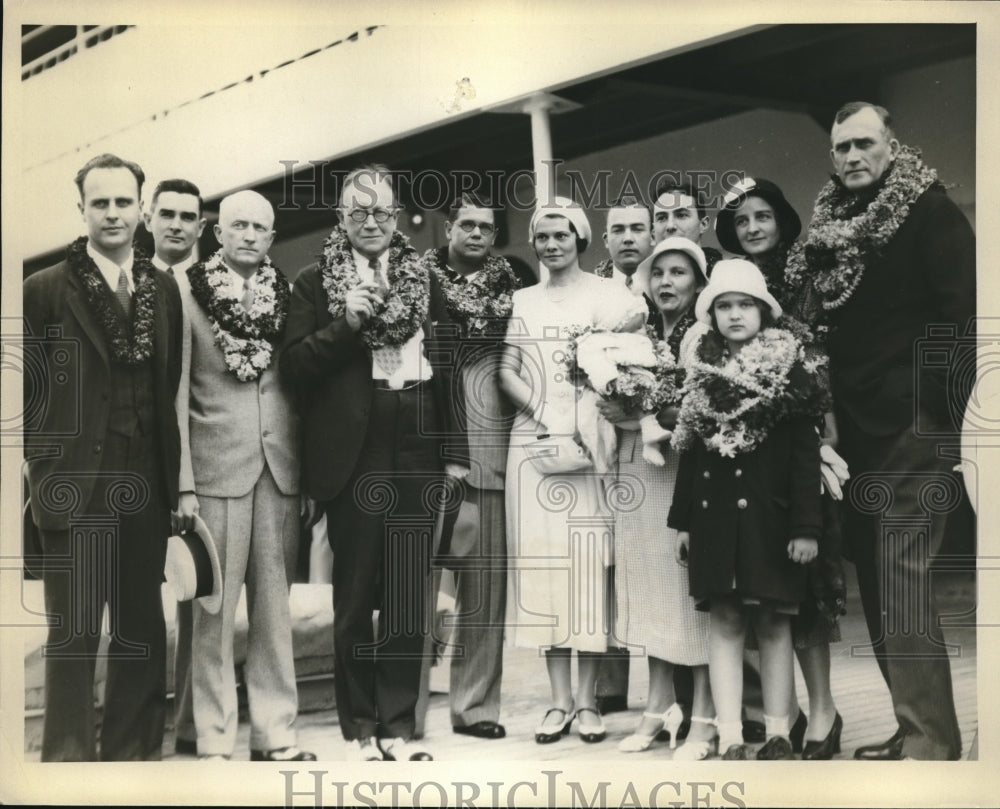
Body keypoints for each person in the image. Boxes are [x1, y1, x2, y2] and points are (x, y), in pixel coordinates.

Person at [787, 101, 975, 760]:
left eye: (864, 144)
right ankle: (913, 724)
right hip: (856, 431)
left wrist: (936, 418)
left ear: (893, 147)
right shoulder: (831, 225)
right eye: (840, 148)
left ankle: (932, 740)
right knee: (879, 578)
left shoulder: (930, 212)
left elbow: (960, 320)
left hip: (910, 426)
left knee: (902, 577)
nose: (851, 158)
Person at [282, 165, 468, 762]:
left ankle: (399, 727)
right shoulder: (314, 281)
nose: (371, 222)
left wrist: (456, 452)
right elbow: (296, 368)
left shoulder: (423, 276)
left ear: (397, 217)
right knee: (356, 593)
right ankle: (360, 728)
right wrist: (349, 323)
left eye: (381, 212)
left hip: (417, 435)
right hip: (354, 448)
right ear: (340, 218)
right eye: (358, 212)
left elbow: (449, 369)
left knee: (411, 594)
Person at [22, 153, 183, 760]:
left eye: (123, 202)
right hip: (75, 486)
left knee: (142, 628)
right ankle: (67, 764)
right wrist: (44, 473)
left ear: (141, 208)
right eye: (100, 203)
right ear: (82, 209)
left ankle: (131, 757)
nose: (112, 213)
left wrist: (172, 487)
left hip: (145, 484)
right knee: (74, 634)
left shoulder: (160, 288)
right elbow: (28, 396)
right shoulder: (44, 290)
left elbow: (164, 387)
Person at [174, 190, 315, 762]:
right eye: (239, 225)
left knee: (274, 611)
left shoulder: (289, 294)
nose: (250, 235)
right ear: (218, 231)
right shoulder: (186, 295)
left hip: (279, 471)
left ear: (272, 236)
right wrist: (182, 481)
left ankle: (275, 734)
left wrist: (303, 477)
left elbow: (300, 390)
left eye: (260, 227)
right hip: (213, 472)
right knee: (212, 612)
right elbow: (176, 395)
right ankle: (211, 737)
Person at [669, 259, 829, 761]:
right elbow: (692, 454)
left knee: (775, 624)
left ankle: (780, 730)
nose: (735, 315)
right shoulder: (702, 374)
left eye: (745, 305)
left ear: (764, 312)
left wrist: (806, 526)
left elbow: (806, 456)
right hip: (716, 520)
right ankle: (733, 732)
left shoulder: (791, 374)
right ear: (712, 315)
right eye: (724, 306)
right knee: (727, 623)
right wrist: (683, 522)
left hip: (770, 519)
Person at [499, 197, 639, 745]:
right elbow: (507, 369)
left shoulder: (608, 295)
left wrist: (580, 416)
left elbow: (620, 363)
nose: (551, 245)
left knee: (587, 567)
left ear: (580, 238)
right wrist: (545, 411)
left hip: (591, 444)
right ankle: (557, 702)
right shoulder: (523, 299)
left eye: (561, 235)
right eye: (542, 236)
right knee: (544, 568)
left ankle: (587, 702)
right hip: (534, 443)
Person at [716, 177, 845, 759]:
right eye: (742, 221)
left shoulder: (806, 279)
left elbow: (823, 354)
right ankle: (779, 716)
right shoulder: (730, 291)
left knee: (807, 584)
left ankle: (823, 710)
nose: (752, 228)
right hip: (746, 463)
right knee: (762, 594)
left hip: (806, 433)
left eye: (762, 216)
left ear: (781, 220)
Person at [612, 237, 717, 759]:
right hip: (642, 473)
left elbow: (698, 408)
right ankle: (656, 708)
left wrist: (636, 416)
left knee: (687, 586)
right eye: (659, 274)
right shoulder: (638, 335)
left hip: (687, 471)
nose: (667, 282)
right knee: (652, 586)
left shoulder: (704, 337)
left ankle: (705, 716)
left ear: (697, 282)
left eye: (679, 273)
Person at [422, 194, 521, 741]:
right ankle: (403, 709)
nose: (478, 234)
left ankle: (476, 707)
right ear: (449, 228)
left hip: (491, 448)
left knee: (483, 590)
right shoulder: (417, 281)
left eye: (487, 226)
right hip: (426, 444)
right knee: (413, 589)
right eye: (468, 224)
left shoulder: (515, 286)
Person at [143, 177, 206, 757]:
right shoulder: (136, 282)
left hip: (207, 466)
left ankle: (188, 722)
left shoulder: (207, 285)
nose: (177, 225)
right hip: (150, 462)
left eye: (189, 216)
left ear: (201, 226)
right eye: (167, 214)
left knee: (197, 598)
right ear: (148, 217)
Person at [590, 195, 657, 714]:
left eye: (639, 228)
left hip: (655, 435)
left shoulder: (668, 283)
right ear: (606, 239)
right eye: (620, 230)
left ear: (652, 236)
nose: (629, 237)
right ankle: (610, 683)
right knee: (606, 556)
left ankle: (670, 678)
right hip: (602, 436)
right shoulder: (592, 293)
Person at [651, 179, 723, 271]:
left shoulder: (726, 276)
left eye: (681, 215)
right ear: (652, 232)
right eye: (661, 218)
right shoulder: (640, 281)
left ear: (703, 224)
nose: (670, 226)